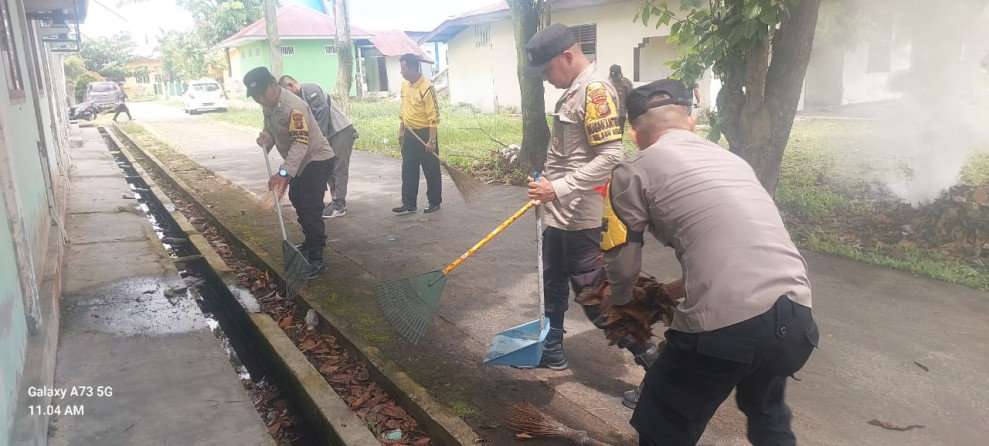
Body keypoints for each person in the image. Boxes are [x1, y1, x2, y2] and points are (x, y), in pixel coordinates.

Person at [602, 79, 818, 446]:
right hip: (797, 318)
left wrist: (623, 301)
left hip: (728, 328)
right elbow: (734, 256)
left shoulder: (633, 170)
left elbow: (623, 260)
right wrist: (665, 292)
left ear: (636, 136)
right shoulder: (734, 162)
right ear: (690, 122)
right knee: (768, 415)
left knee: (662, 424)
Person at [521, 23, 660, 408]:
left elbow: (610, 158)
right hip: (557, 214)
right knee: (552, 285)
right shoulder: (572, 92)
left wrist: (558, 188)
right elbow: (569, 155)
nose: (547, 80)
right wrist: (546, 183)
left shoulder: (595, 92)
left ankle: (655, 363)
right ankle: (552, 349)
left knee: (593, 298)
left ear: (568, 56)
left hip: (580, 215)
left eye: (548, 70)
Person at [245, 66, 336, 279]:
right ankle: (309, 241)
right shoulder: (269, 104)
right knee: (296, 199)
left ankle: (317, 258)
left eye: (261, 94)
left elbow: (300, 145)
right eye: (255, 96)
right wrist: (266, 137)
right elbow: (270, 127)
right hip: (299, 162)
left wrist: (283, 174)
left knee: (310, 205)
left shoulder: (294, 107)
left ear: (272, 85)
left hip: (316, 158)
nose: (259, 99)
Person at [279, 75, 358, 218]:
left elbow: (322, 114)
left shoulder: (310, 90)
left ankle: (339, 205)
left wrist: (320, 141)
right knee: (327, 168)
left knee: (339, 168)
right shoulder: (297, 99)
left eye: (286, 92)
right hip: (328, 135)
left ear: (292, 85)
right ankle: (335, 201)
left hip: (339, 130)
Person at [393, 53, 441, 214]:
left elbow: (434, 117)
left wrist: (431, 141)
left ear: (413, 68)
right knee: (408, 169)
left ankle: (434, 201)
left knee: (431, 170)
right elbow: (403, 109)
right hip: (409, 133)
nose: (402, 72)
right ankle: (409, 203)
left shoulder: (427, 88)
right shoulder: (404, 85)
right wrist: (401, 131)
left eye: (404, 69)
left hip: (425, 133)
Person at [608, 64, 634, 130]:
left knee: (620, 133)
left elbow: (631, 97)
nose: (614, 77)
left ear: (620, 74)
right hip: (609, 113)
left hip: (621, 113)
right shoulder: (607, 82)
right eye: (612, 75)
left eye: (615, 75)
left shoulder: (626, 83)